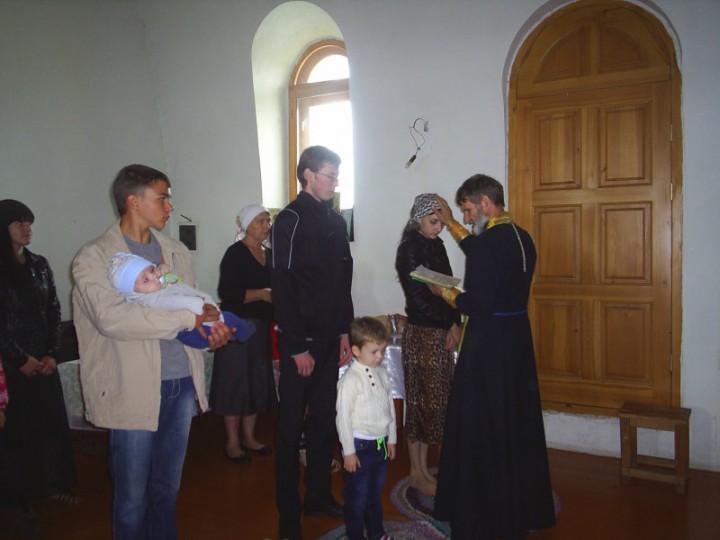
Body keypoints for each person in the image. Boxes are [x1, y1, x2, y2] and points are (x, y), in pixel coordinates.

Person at [72, 164, 232, 539]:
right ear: (133, 201)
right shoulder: (95, 257)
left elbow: (190, 304)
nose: (170, 207)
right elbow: (113, 318)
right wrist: (186, 319)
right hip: (133, 387)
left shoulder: (175, 251)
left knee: (167, 489)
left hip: (181, 381)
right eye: (162, 198)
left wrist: (211, 329)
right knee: (131, 498)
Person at [430, 174, 556, 539]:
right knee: (512, 422)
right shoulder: (522, 237)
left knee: (480, 423)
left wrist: (444, 293)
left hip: (488, 345)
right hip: (516, 339)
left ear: (485, 203)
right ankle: (520, 504)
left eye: (468, 210)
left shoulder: (489, 244)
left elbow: (478, 304)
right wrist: (451, 224)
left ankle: (480, 508)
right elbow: (484, 255)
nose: (467, 218)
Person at [271, 145, 354, 540]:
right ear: (307, 175)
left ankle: (319, 496)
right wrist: (295, 346)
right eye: (329, 176)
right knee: (290, 431)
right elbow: (282, 286)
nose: (335, 183)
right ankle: (289, 515)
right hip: (300, 344)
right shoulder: (289, 220)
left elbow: (342, 282)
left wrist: (344, 331)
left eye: (336, 176)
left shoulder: (336, 221)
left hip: (328, 339)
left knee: (323, 422)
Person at [0, 200, 79, 515]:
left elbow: (54, 309)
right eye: (18, 223)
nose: (27, 228)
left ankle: (53, 487)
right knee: (16, 432)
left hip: (44, 362)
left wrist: (52, 353)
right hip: (9, 366)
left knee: (50, 428)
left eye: (29, 222)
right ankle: (20, 498)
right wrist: (19, 358)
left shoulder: (39, 264)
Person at [394, 194, 462, 497]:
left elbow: (448, 287)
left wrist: (456, 322)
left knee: (433, 404)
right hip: (422, 333)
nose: (439, 227)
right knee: (419, 404)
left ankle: (422, 470)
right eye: (433, 222)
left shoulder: (437, 245)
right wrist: (449, 324)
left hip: (441, 331)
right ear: (418, 219)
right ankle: (416, 472)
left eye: (441, 222)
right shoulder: (408, 249)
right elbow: (419, 300)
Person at [210, 204, 277, 464]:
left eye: (267, 221)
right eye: (260, 221)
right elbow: (227, 293)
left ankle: (249, 437)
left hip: (261, 328)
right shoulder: (235, 253)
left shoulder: (269, 254)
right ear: (247, 225)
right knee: (235, 383)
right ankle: (232, 442)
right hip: (237, 327)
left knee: (255, 382)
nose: (266, 226)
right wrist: (262, 294)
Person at [108, 251, 255, 349]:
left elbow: (178, 282)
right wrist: (199, 305)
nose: (153, 277)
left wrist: (165, 270)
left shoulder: (157, 285)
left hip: (194, 333)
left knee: (225, 324)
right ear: (134, 293)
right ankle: (245, 331)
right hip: (193, 331)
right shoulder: (153, 299)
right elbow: (178, 301)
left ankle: (238, 332)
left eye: (151, 270)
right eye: (145, 280)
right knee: (229, 319)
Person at [336, 317, 397, 540]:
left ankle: (376, 533)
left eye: (382, 350)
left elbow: (389, 407)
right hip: (359, 448)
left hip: (380, 445)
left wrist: (392, 439)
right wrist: (349, 452)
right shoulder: (350, 381)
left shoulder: (382, 373)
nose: (380, 356)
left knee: (374, 494)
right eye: (374, 352)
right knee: (357, 499)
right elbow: (342, 418)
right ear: (356, 350)